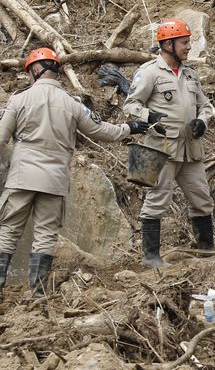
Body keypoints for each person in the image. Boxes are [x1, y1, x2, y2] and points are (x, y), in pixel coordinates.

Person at [0, 47, 149, 296]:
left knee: (8, 231)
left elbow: (1, 138)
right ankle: (38, 295)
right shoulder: (72, 104)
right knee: (45, 235)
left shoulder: (18, 100)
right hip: (54, 180)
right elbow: (102, 131)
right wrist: (129, 127)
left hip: (21, 178)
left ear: (35, 71)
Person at [125, 18, 215, 268]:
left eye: (189, 42)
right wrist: (148, 117)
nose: (189, 47)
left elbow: (206, 106)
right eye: (184, 43)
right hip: (162, 148)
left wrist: (202, 121)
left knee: (201, 199)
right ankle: (151, 257)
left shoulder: (190, 74)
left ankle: (206, 251)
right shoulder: (149, 72)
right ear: (168, 44)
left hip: (190, 149)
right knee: (157, 199)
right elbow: (131, 105)